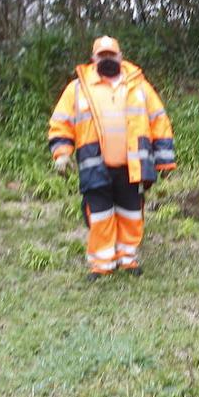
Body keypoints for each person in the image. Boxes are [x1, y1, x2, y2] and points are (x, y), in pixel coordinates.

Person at [47, 36, 176, 280]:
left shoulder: (139, 86)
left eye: (111, 55)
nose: (107, 59)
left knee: (131, 214)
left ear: (120, 56)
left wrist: (165, 160)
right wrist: (62, 153)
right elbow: (60, 122)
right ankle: (102, 264)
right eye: (102, 55)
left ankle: (128, 259)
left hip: (132, 165)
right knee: (100, 216)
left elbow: (159, 120)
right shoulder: (77, 88)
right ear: (94, 59)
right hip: (95, 165)